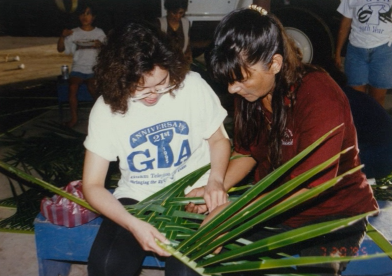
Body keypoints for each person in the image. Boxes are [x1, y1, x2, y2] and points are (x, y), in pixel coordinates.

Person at [188, 6, 379, 275]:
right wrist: (215, 186)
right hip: (273, 206)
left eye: (240, 79)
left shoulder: (318, 95)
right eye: (228, 82)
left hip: (333, 212)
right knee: (220, 260)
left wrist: (234, 214)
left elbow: (311, 186)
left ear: (275, 64)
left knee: (316, 272)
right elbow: (247, 152)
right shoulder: (249, 94)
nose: (232, 89)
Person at [82, 20, 231, 276]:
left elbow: (219, 139)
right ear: (120, 79)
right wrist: (132, 224)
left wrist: (215, 181)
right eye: (140, 88)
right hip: (139, 198)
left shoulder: (191, 85)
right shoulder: (106, 108)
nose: (153, 95)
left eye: (162, 83)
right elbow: (92, 184)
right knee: (106, 265)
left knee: (186, 271)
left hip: (191, 196)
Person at [334, 0, 392, 107]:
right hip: (356, 52)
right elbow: (345, 23)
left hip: (383, 52)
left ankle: (376, 123)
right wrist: (337, 52)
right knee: (357, 99)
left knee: (378, 100)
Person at [57, 1, 106, 128]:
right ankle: (74, 118)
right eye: (82, 14)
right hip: (78, 68)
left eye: (88, 14)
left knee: (92, 87)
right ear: (79, 17)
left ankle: (100, 117)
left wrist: (101, 45)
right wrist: (62, 37)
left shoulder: (99, 32)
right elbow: (61, 49)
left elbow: (108, 49)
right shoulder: (73, 32)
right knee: (72, 86)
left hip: (94, 68)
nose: (85, 16)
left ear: (93, 17)